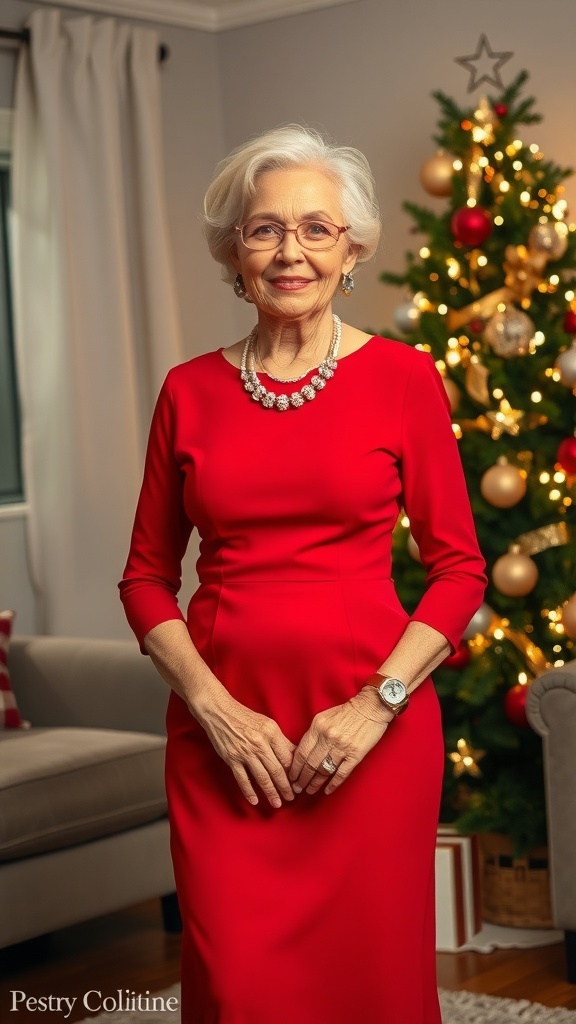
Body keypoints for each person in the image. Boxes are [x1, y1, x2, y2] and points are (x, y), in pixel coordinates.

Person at [119, 125, 487, 1024]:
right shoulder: (188, 390)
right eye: (265, 229)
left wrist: (377, 706)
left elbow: (458, 571)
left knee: (372, 985)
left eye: (317, 229)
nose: (292, 252)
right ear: (233, 252)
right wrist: (214, 710)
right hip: (226, 738)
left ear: (352, 247)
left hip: (371, 734)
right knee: (238, 987)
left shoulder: (403, 379)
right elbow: (143, 578)